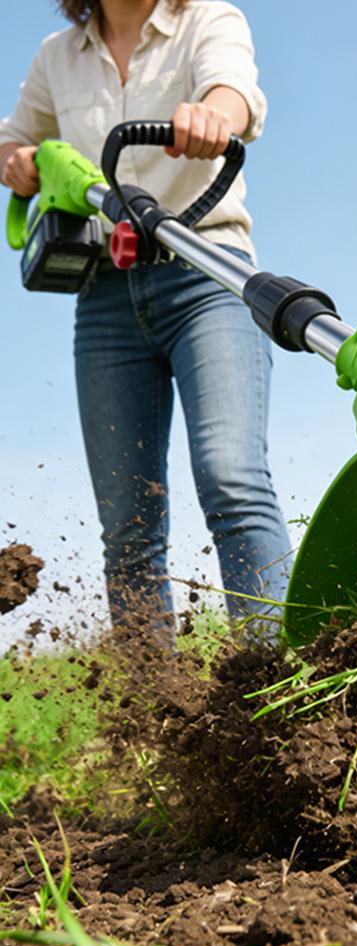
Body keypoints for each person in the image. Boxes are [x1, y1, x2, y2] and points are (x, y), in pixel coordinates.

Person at [0, 0, 292, 639]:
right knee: (127, 518)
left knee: (231, 477)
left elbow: (231, 88)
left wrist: (212, 116)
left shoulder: (210, 20)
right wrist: (17, 162)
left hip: (208, 273)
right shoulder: (57, 55)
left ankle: (280, 682)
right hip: (105, 295)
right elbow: (13, 140)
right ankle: (150, 710)